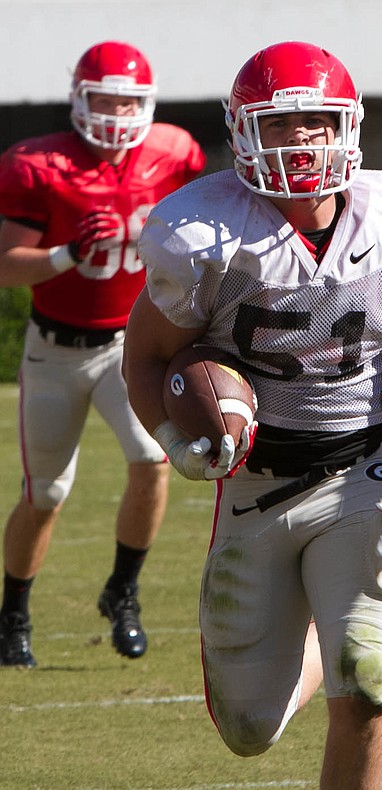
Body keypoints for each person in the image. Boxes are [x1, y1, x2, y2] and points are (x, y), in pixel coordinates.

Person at [122, 41, 382, 788]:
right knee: (248, 730)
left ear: (347, 126)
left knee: (369, 685)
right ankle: (336, 617)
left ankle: (362, 627)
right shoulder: (203, 235)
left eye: (318, 122)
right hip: (254, 483)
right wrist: (170, 439)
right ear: (241, 132)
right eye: (281, 126)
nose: (303, 141)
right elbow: (145, 359)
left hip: (363, 475)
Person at [0, 41, 206, 667]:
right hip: (55, 349)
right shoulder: (38, 164)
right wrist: (67, 256)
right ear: (79, 99)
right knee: (46, 494)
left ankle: (123, 590)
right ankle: (13, 613)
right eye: (105, 99)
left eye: (128, 100)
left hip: (130, 345)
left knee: (153, 459)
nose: (117, 112)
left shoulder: (174, 153)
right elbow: (6, 265)